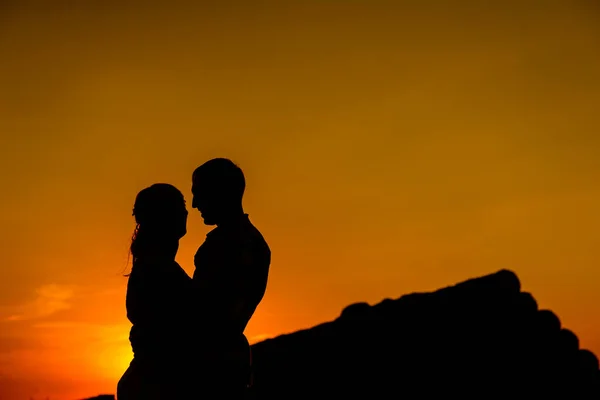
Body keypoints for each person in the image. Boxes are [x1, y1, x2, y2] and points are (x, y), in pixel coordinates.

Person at [190, 158, 271, 398]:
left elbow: (207, 313)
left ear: (219, 192)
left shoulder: (230, 245)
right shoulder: (251, 242)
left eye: (199, 194)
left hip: (214, 369)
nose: (194, 204)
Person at [117, 183, 192, 400]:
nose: (187, 211)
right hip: (155, 386)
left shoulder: (154, 266)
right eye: (181, 205)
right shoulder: (157, 269)